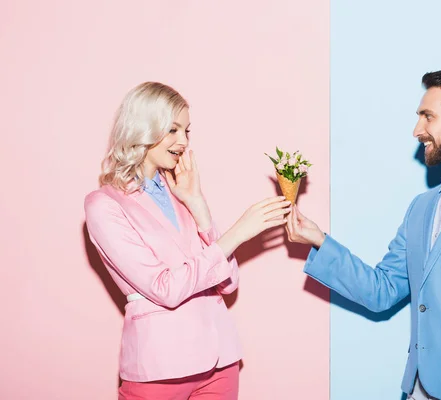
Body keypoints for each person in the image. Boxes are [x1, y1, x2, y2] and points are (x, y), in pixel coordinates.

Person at [286, 66, 441, 400]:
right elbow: (383, 289)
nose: (417, 129)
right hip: (418, 389)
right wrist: (319, 240)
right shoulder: (420, 208)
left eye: (428, 116)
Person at [84, 82, 290, 399]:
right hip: (160, 368)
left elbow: (229, 283)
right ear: (143, 127)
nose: (183, 141)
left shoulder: (179, 190)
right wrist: (238, 232)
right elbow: (164, 288)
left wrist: (197, 204)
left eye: (187, 131)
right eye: (173, 130)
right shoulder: (104, 205)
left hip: (220, 362)